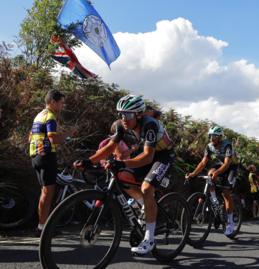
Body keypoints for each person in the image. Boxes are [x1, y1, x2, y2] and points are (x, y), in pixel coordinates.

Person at [74, 94, 175, 255]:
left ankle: (149, 239)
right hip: (147, 152)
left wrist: (123, 162)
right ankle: (144, 204)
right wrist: (89, 161)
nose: (124, 118)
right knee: (121, 175)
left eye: (128, 115)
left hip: (163, 155)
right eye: (121, 114)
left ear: (139, 115)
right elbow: (109, 146)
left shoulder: (150, 125)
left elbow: (149, 157)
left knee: (147, 187)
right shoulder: (121, 125)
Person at [29, 89, 75, 236]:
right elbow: (53, 138)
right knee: (48, 193)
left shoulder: (39, 115)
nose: (62, 106)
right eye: (61, 103)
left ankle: (42, 226)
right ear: (53, 102)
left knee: (45, 191)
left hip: (35, 155)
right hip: (46, 156)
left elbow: (30, 136)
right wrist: (69, 134)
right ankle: (43, 228)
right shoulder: (50, 116)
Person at [186, 126, 238, 236]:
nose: (211, 139)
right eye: (210, 136)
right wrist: (194, 173)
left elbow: (227, 163)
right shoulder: (209, 146)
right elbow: (203, 162)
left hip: (231, 167)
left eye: (214, 136)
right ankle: (214, 200)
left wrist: (217, 173)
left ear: (220, 137)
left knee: (226, 193)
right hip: (220, 164)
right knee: (210, 173)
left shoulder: (227, 144)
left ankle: (230, 222)